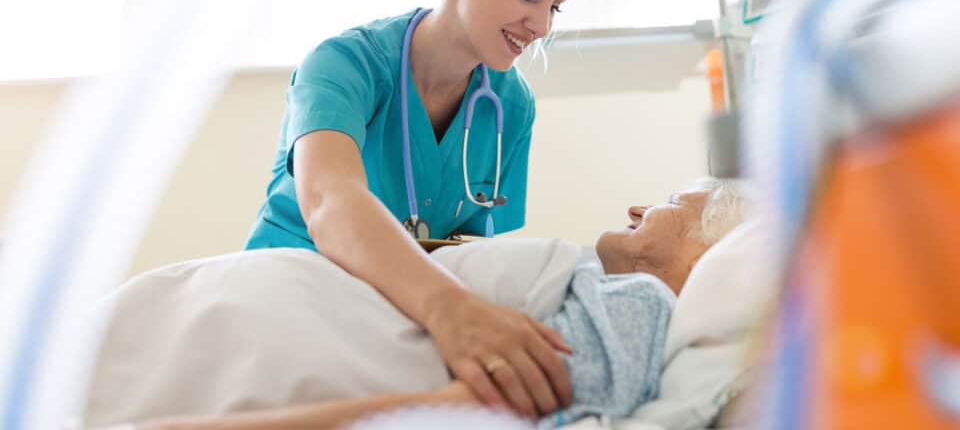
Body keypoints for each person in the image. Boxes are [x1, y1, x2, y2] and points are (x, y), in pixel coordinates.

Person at [241, 0, 581, 418]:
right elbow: (330, 201)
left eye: (556, 7)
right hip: (291, 296)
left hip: (399, 316)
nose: (540, 27)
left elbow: (472, 251)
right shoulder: (344, 65)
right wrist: (450, 311)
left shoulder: (510, 104)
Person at [125, 179, 750, 430]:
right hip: (201, 324)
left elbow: (434, 415)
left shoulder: (637, 314)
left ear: (715, 247)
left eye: (675, 198)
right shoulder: (607, 294)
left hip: (207, 351)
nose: (639, 207)